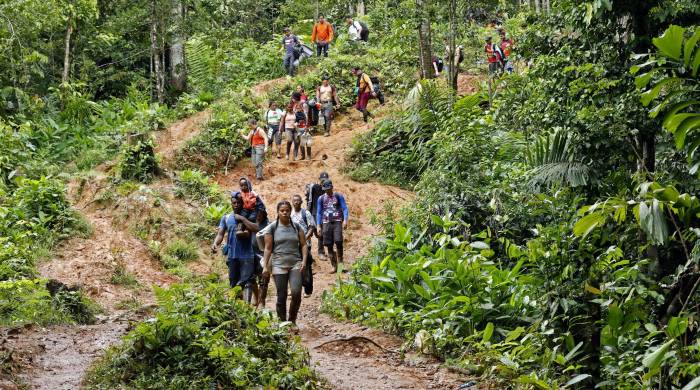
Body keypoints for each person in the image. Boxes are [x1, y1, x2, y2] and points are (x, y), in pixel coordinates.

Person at [262, 200, 308, 326]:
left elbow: (303, 245)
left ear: (290, 211)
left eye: (287, 210)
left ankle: (292, 320)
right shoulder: (272, 228)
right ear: (278, 212)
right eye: (282, 211)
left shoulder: (296, 226)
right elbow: (268, 248)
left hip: (295, 263)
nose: (285, 213)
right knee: (281, 296)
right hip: (278, 265)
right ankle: (283, 323)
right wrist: (265, 267)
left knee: (296, 292)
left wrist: (304, 261)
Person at [212, 192, 260, 303]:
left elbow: (256, 228)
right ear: (231, 204)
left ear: (242, 203)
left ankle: (248, 306)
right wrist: (215, 244)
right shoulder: (226, 218)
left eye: (238, 202)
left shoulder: (249, 216)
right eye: (234, 203)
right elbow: (220, 234)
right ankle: (240, 307)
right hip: (232, 255)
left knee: (247, 282)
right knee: (234, 284)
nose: (236, 205)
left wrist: (243, 220)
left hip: (247, 255)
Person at [315, 180, 349, 273]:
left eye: (329, 189)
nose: (328, 191)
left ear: (332, 187)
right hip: (326, 222)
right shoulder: (321, 199)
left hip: (337, 221)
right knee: (328, 244)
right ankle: (334, 265)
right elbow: (318, 212)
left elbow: (345, 208)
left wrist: (345, 220)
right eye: (326, 189)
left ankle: (341, 265)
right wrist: (318, 225)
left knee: (338, 242)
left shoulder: (338, 196)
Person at [291, 194, 316, 297]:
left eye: (298, 201)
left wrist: (304, 239)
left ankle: (308, 290)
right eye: (294, 201)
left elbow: (311, 227)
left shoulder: (306, 213)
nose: (296, 202)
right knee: (294, 267)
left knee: (306, 267)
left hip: (306, 245)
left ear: (301, 202)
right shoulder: (290, 214)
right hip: (293, 245)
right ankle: (294, 288)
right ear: (292, 202)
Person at [306, 172, 329, 259]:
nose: (323, 181)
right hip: (314, 212)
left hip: (323, 214)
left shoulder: (327, 189)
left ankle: (321, 252)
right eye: (322, 180)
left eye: (325, 180)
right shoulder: (314, 187)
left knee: (321, 233)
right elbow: (310, 200)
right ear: (319, 179)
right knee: (312, 232)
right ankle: (311, 253)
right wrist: (308, 212)